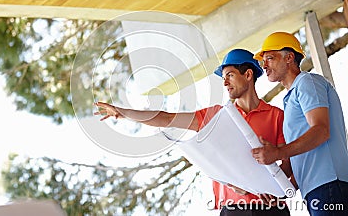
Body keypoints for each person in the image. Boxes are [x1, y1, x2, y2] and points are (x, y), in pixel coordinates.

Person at [95, 49, 291, 216]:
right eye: (223, 78)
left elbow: (288, 162)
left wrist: (272, 190)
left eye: (230, 75)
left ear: (248, 75)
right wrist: (124, 113)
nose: (225, 83)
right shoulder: (216, 115)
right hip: (233, 208)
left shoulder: (277, 116)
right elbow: (166, 118)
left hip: (272, 209)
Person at [251, 31, 348, 216]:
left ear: (289, 58)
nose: (265, 65)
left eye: (270, 58)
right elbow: (303, 157)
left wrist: (278, 152)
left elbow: (321, 131)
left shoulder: (306, 82)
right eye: (264, 60)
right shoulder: (290, 99)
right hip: (316, 191)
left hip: (330, 187)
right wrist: (281, 190)